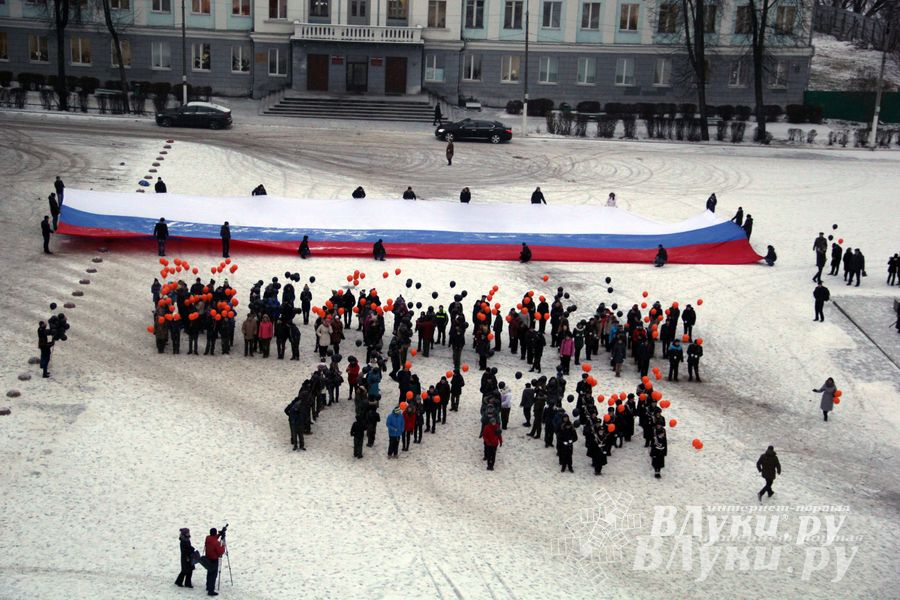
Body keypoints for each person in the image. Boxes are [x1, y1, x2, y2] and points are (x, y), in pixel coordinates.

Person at [203, 528, 226, 596]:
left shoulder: (208, 538)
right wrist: (223, 545)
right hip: (214, 560)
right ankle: (211, 590)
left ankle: (208, 586)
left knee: (209, 573)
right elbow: (221, 551)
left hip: (208, 558)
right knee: (213, 575)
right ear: (215, 533)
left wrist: (219, 535)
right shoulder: (216, 543)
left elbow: (214, 538)